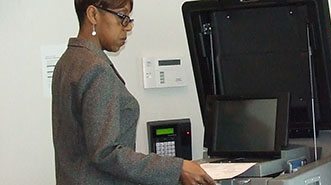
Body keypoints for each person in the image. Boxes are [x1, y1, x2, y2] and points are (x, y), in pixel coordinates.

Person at [51, 0, 215, 184]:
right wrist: (177, 168)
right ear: (93, 15)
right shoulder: (96, 69)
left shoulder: (68, 61)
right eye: (122, 17)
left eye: (129, 19)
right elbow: (106, 153)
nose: (128, 27)